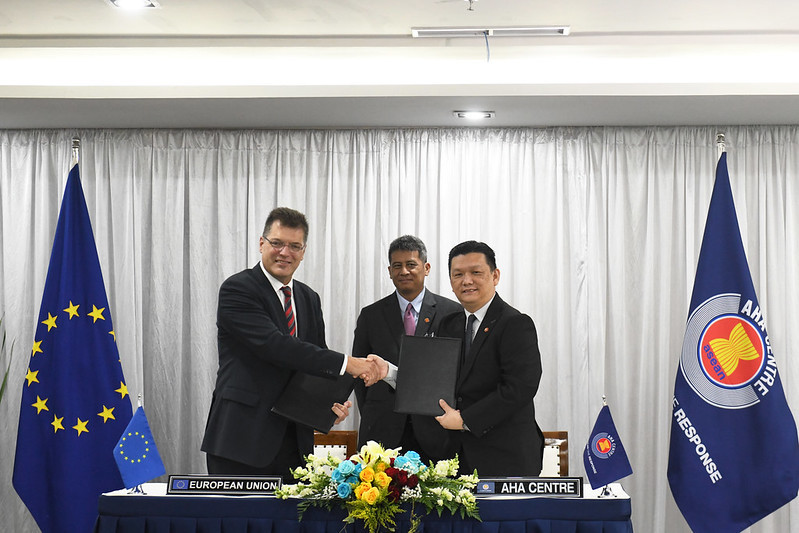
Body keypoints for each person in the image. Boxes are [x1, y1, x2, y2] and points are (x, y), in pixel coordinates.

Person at [201, 207, 381, 480]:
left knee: (291, 524)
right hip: (241, 440)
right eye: (277, 243)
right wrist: (349, 363)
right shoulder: (238, 289)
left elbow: (315, 363)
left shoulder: (309, 298)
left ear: (303, 251)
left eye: (294, 246)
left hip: (296, 444)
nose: (285, 253)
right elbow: (276, 346)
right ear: (262, 243)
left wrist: (329, 406)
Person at [413, 240, 545, 476]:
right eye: (458, 274)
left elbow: (519, 388)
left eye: (476, 272)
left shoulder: (515, 323)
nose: (467, 281)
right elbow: (432, 378)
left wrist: (465, 419)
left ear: (495, 276)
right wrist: (390, 373)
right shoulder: (448, 324)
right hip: (455, 458)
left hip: (505, 457)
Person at [352, 235, 461, 455]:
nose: (404, 271)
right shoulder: (371, 315)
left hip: (436, 430)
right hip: (382, 429)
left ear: (426, 267)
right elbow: (359, 373)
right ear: (389, 270)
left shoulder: (453, 313)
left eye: (411, 264)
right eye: (397, 266)